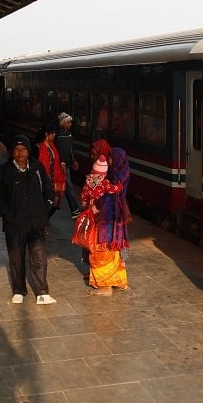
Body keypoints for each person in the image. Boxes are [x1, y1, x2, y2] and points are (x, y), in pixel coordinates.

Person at [0, 135, 57, 305]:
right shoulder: (4, 170)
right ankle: (18, 290)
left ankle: (42, 292)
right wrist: (5, 213)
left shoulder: (36, 167)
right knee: (16, 258)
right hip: (14, 224)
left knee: (39, 257)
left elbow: (49, 188)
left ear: (28, 151)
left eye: (24, 149)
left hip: (36, 222)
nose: (21, 152)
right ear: (12, 152)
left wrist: (46, 207)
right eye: (17, 149)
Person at [80, 155, 128, 295]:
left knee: (99, 253)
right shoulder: (107, 183)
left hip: (98, 225)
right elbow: (117, 189)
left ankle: (105, 286)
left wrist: (89, 205)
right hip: (109, 224)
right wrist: (119, 185)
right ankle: (119, 281)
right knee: (112, 252)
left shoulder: (88, 181)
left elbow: (83, 201)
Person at [37, 123, 66, 218]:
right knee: (47, 202)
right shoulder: (40, 147)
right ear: (46, 134)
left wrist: (61, 163)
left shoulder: (51, 145)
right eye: (52, 133)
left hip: (53, 180)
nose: (54, 135)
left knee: (53, 203)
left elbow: (55, 159)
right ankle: (43, 222)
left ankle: (44, 220)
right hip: (45, 180)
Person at [56, 112, 81, 216]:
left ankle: (74, 209)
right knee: (63, 188)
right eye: (68, 122)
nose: (70, 124)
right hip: (58, 166)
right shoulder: (57, 134)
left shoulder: (69, 133)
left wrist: (73, 160)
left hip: (66, 165)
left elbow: (71, 148)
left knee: (68, 187)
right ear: (62, 122)